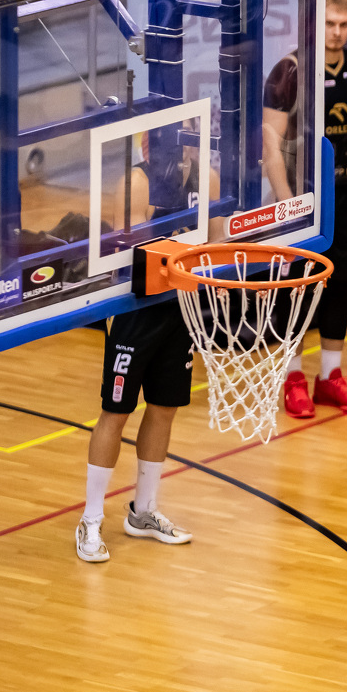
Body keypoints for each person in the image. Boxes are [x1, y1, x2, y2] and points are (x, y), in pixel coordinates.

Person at [74, 129, 214, 563]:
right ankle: (90, 519)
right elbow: (132, 249)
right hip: (137, 309)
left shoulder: (207, 178)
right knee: (116, 412)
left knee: (165, 407)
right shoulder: (136, 181)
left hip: (181, 305)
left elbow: (217, 239)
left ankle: (144, 510)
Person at [263, 0, 347, 418]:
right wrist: (286, 207)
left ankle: (331, 377)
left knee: (341, 284)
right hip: (304, 199)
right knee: (298, 289)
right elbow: (270, 143)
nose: (337, 32)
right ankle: (293, 379)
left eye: (344, 24)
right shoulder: (290, 70)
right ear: (314, 24)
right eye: (329, 24)